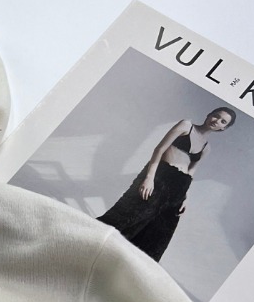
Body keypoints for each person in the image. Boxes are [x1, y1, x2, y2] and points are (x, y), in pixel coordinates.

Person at [96, 106, 236, 261]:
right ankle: (91, 242)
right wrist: (149, 178)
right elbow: (159, 149)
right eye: (216, 116)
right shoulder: (186, 125)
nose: (217, 121)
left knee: (157, 235)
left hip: (179, 188)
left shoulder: (206, 148)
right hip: (161, 176)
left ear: (223, 128)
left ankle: (123, 264)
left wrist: (186, 197)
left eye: (223, 121)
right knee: (126, 216)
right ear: (209, 114)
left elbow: (191, 171)